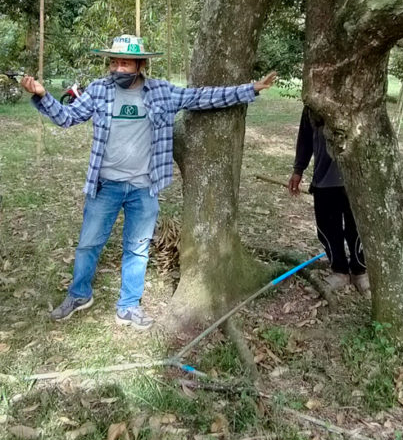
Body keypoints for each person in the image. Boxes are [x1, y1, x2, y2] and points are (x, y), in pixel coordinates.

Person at [21, 34, 276, 330]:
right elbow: (67, 117)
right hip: (105, 185)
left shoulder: (162, 93)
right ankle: (79, 295)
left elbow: (203, 97)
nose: (117, 68)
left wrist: (251, 89)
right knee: (88, 244)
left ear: (141, 65)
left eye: (125, 63)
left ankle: (128, 306)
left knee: (137, 248)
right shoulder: (98, 91)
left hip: (144, 187)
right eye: (114, 62)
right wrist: (42, 95)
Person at [289, 107, 369, 294]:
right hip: (324, 178)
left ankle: (360, 270)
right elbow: (305, 138)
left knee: (356, 228)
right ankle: (339, 270)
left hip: (357, 178)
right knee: (327, 228)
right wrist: (298, 169)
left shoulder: (358, 96)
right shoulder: (313, 104)